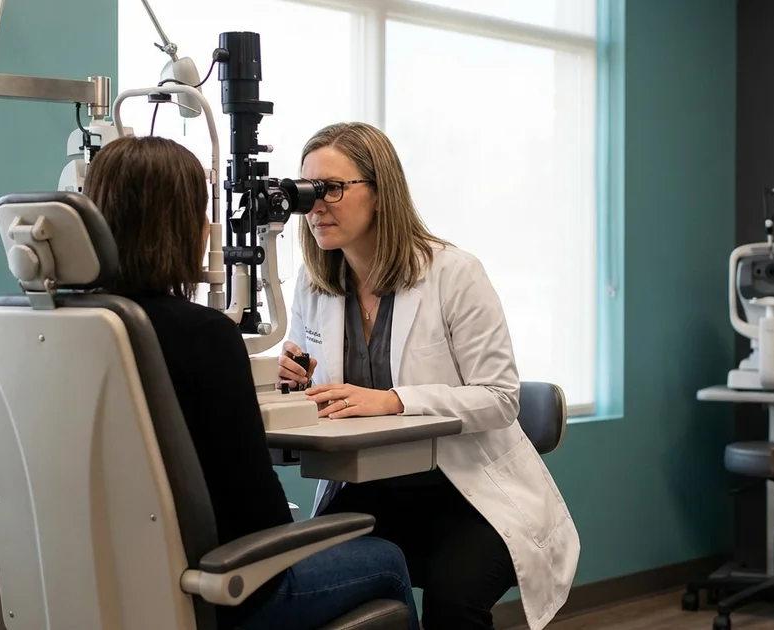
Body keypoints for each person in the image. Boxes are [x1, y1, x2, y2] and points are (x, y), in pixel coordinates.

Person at [82, 135, 419, 630]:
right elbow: (259, 519)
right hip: (214, 587)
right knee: (386, 556)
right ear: (185, 227)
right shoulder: (202, 334)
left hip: (103, 578)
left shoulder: (55, 329)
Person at [277, 122, 580, 630]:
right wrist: (296, 381)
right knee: (308, 584)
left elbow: (501, 398)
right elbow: (323, 391)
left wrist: (395, 401)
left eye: (331, 188)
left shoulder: (453, 273)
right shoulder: (317, 283)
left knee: (453, 600)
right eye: (306, 192)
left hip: (465, 490)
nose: (315, 205)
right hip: (371, 481)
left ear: (380, 192)